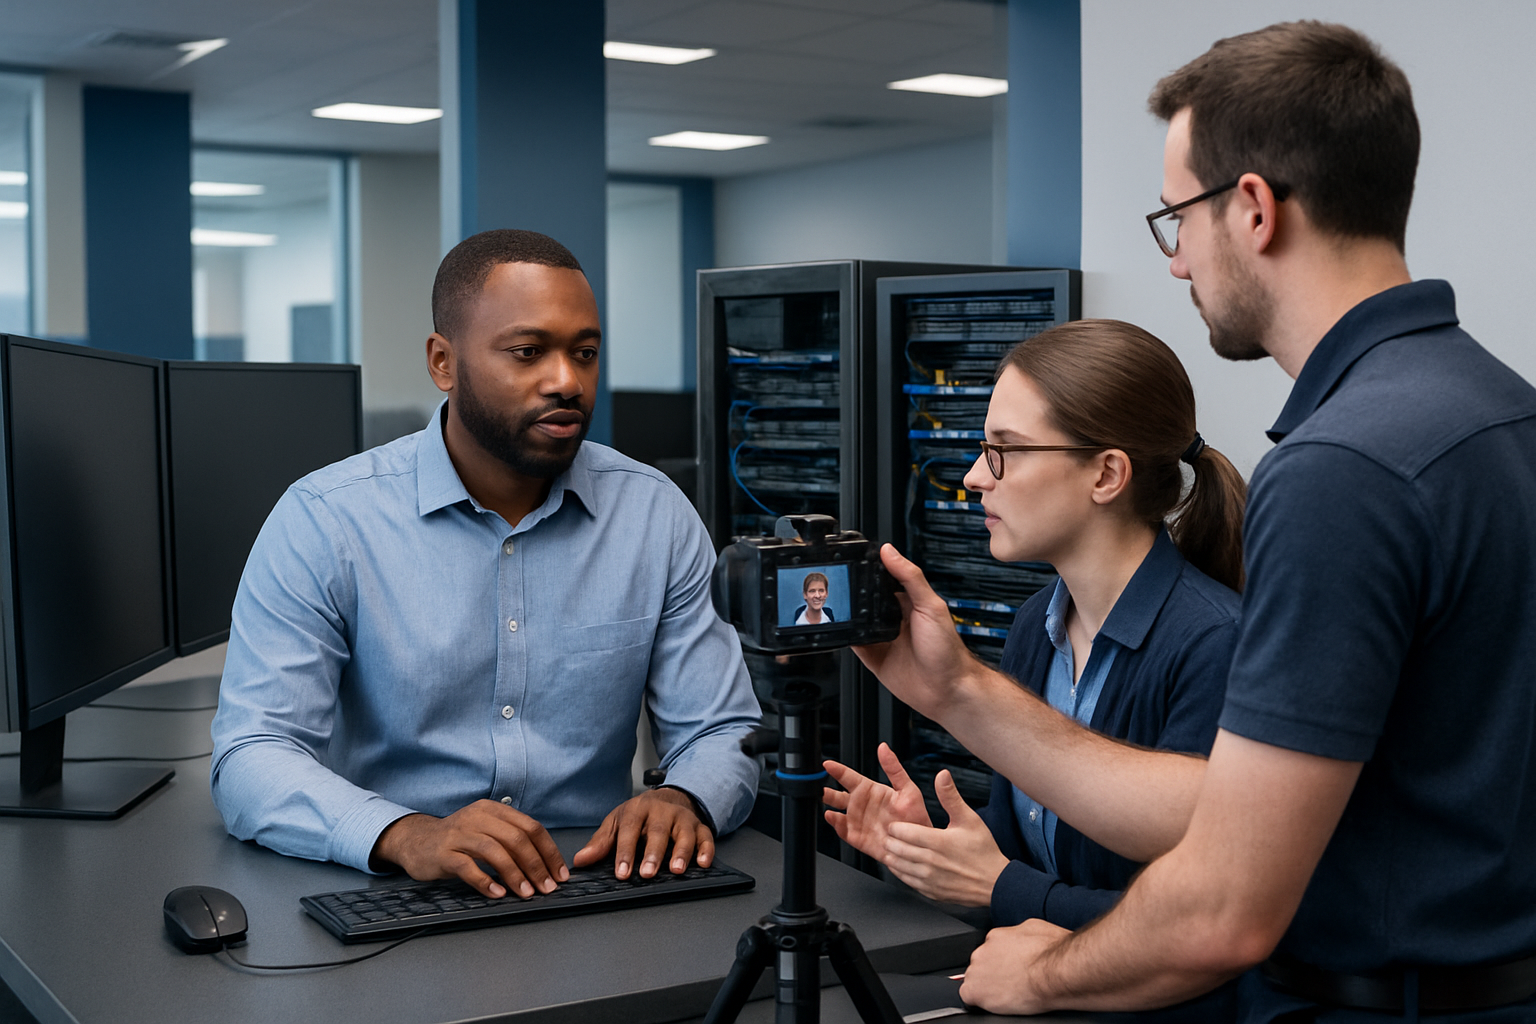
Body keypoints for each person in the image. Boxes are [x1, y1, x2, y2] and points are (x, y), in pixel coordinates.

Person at [854, 21, 1536, 1021]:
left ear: (1253, 208)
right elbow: (1223, 804)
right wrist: (958, 691)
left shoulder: (1340, 468)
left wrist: (1035, 973)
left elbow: (1223, 903)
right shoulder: (1499, 406)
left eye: (1177, 220)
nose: (1176, 265)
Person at [210, 229, 761, 902]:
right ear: (444, 362)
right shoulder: (325, 520)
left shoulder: (655, 516)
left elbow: (722, 728)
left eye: (585, 353)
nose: (566, 381)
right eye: (528, 353)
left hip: (594, 885)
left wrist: (685, 798)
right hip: (395, 889)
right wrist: (406, 834)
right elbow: (251, 754)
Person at [822, 321, 1244, 1019]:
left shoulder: (1214, 645)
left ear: (1106, 474)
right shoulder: (1037, 627)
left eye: (1004, 453)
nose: (972, 477)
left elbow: (1203, 920)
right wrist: (930, 842)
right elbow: (1028, 851)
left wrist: (999, 888)